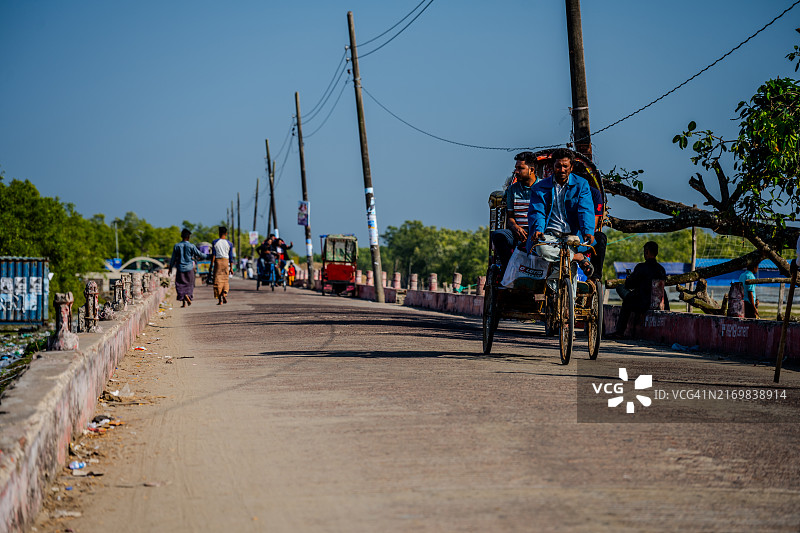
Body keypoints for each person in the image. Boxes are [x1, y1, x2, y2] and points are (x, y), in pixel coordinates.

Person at [526, 148, 596, 293]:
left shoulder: (581, 184)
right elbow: (537, 212)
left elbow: (585, 210)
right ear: (553, 166)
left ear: (571, 167)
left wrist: (588, 231)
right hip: (549, 235)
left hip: (572, 235)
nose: (562, 169)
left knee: (569, 271)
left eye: (565, 166)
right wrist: (538, 230)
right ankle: (576, 257)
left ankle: (570, 303)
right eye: (558, 166)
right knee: (542, 249)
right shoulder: (539, 187)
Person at [490, 151, 538, 275]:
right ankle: (508, 270)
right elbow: (510, 216)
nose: (516, 171)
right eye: (516, 168)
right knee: (497, 235)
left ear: (531, 170)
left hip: (538, 232)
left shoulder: (544, 187)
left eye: (520, 168)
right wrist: (516, 227)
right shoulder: (512, 189)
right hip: (517, 231)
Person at [609, 241, 667, 338]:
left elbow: (629, 285)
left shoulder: (641, 267)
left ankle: (619, 332)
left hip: (642, 303)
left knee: (624, 295)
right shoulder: (661, 269)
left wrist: (629, 279)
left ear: (647, 252)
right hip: (657, 303)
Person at [168, 228, 208, 307]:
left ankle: (183, 301)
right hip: (189, 269)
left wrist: (170, 268)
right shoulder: (191, 246)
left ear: (181, 236)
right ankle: (188, 296)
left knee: (180, 284)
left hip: (180, 268)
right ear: (188, 237)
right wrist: (209, 256)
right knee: (189, 285)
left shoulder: (177, 246)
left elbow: (173, 259)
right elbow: (200, 254)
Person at [212, 226, 235, 305]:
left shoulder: (215, 242)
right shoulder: (229, 243)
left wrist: (211, 265)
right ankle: (224, 293)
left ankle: (220, 300)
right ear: (226, 233)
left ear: (219, 233)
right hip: (226, 262)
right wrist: (231, 268)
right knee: (225, 280)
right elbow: (231, 257)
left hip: (218, 262)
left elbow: (213, 255)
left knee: (217, 281)